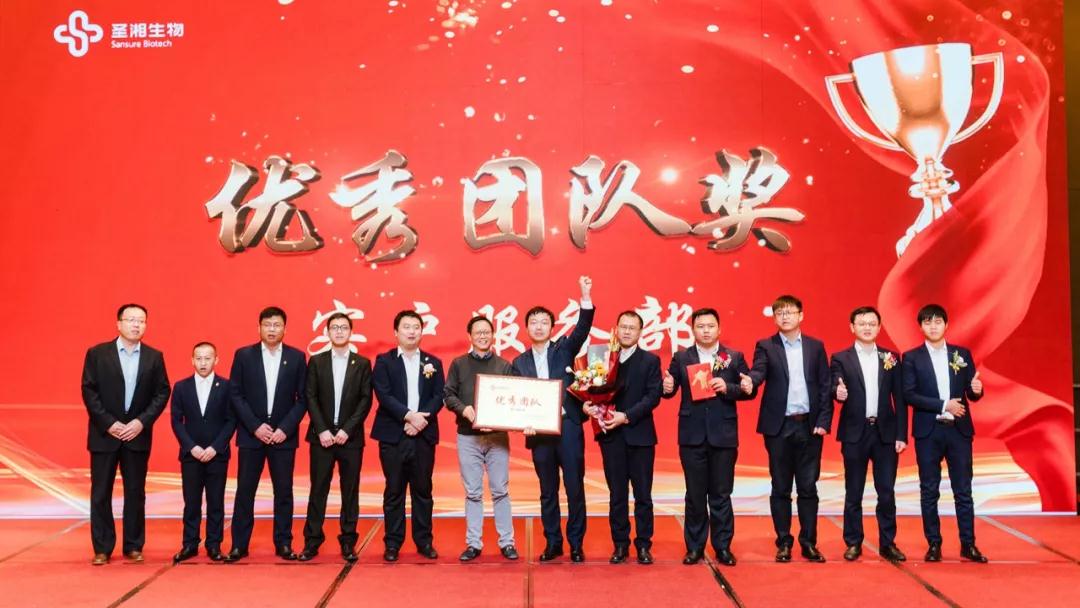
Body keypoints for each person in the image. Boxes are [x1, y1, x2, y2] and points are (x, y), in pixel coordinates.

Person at [662, 308, 754, 566]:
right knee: (694, 495)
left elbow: (748, 390)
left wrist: (729, 387)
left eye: (710, 326)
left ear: (719, 329)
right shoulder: (682, 357)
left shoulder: (733, 357)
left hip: (723, 436)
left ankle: (723, 547)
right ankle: (694, 547)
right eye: (700, 326)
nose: (705, 330)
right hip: (691, 437)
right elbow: (668, 390)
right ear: (693, 329)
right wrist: (666, 387)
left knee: (721, 494)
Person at [512, 276, 595, 563]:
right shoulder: (519, 362)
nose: (539, 326)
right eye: (533, 322)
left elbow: (582, 329)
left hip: (568, 426)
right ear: (526, 328)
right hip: (539, 433)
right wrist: (522, 422)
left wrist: (585, 296)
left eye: (544, 322)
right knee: (547, 492)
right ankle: (553, 543)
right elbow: (516, 400)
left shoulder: (564, 349)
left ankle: (576, 544)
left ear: (552, 327)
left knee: (574, 488)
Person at [81, 303, 171, 565]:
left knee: (135, 492)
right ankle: (102, 548)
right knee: (101, 493)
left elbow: (162, 392)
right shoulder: (98, 354)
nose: (136, 325)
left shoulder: (154, 357)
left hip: (136, 435)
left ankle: (133, 545)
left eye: (141, 320)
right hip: (104, 435)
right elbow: (89, 390)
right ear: (118, 323)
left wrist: (141, 422)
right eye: (131, 320)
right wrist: (109, 423)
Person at [747, 295, 832, 563]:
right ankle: (783, 542)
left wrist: (823, 421)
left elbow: (825, 385)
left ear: (801, 315)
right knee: (780, 487)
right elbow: (758, 372)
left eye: (790, 312)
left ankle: (809, 542)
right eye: (779, 313)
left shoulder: (815, 347)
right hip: (779, 427)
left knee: (808, 487)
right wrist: (750, 381)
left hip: (809, 425)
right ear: (774, 318)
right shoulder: (766, 346)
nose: (785, 317)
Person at [901, 304, 987, 563]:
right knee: (929, 490)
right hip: (928, 432)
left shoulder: (961, 354)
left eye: (938, 321)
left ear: (946, 325)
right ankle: (934, 544)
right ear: (921, 327)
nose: (933, 326)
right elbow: (909, 394)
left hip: (958, 431)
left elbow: (971, 393)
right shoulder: (911, 357)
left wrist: (977, 390)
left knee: (963, 490)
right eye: (928, 322)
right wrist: (943, 405)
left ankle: (968, 544)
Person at [227, 306, 308, 562]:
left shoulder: (297, 357)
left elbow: (303, 398)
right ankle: (239, 545)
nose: (272, 329)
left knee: (283, 491)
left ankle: (283, 543)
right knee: (245, 491)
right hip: (252, 435)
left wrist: (285, 428)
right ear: (259, 327)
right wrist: (255, 426)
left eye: (277, 325)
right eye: (267, 325)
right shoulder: (244, 355)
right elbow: (235, 394)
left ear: (285, 328)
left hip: (283, 437)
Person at [830, 306, 907, 562]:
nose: (867, 328)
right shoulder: (841, 358)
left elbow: (900, 398)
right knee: (854, 491)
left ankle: (888, 543)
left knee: (886, 491)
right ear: (852, 327)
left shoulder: (891, 357)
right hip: (855, 432)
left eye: (872, 323)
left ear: (879, 327)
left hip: (885, 433)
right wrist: (837, 392)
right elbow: (835, 385)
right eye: (862, 323)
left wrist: (901, 434)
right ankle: (853, 542)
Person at [587, 310, 662, 565]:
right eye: (623, 327)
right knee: (617, 494)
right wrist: (590, 406)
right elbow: (591, 390)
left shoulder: (650, 361)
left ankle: (644, 545)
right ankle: (620, 544)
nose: (627, 331)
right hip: (611, 436)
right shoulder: (603, 358)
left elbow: (653, 397)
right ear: (616, 329)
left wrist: (626, 416)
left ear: (640, 332)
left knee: (643, 495)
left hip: (641, 437)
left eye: (632, 327)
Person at [371, 310, 446, 562]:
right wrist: (408, 416)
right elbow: (383, 394)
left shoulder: (433, 362)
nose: (411, 331)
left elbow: (439, 395)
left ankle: (424, 541)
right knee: (394, 490)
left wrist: (419, 421)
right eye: (406, 327)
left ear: (422, 331)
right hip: (394, 434)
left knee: (423, 490)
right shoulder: (384, 361)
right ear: (396, 332)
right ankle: (392, 543)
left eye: (416, 327)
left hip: (423, 434)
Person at [298, 312, 373, 563]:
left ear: (351, 332)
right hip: (321, 438)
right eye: (334, 328)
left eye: (343, 327)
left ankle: (348, 541)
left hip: (350, 438)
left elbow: (365, 400)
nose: (339, 331)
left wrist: (346, 430)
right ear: (327, 332)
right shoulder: (316, 361)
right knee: (318, 489)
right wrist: (322, 429)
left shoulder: (362, 363)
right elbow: (310, 396)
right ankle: (312, 541)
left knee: (350, 491)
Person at [444, 315, 519, 562]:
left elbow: (514, 400)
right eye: (478, 332)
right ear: (470, 336)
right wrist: (464, 409)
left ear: (493, 335)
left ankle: (507, 542)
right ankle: (473, 544)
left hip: (497, 437)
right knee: (473, 492)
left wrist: (506, 419)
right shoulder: (458, 364)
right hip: (468, 437)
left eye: (487, 332)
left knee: (500, 490)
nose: (483, 336)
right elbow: (448, 395)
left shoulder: (504, 366)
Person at [170, 342, 235, 563]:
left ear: (216, 360)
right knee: (191, 502)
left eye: (208, 358)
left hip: (218, 455)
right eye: (198, 358)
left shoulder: (226, 386)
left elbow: (231, 421)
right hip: (191, 455)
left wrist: (215, 447)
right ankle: (190, 544)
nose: (203, 363)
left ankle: (214, 545)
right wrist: (192, 447)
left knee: (216, 501)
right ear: (192, 360)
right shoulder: (181, 387)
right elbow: (176, 421)